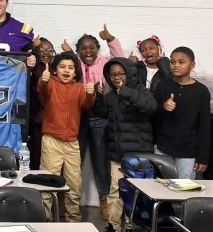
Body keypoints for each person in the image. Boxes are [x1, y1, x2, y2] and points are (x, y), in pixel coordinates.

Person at [61, 25, 123, 220]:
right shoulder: (75, 63)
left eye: (92, 47)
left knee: (100, 160)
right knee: (73, 161)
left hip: (100, 117)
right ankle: (67, 199)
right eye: (83, 48)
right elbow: (65, 67)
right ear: (78, 51)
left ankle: (104, 199)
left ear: (97, 49)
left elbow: (119, 58)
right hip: (78, 116)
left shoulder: (104, 63)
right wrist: (70, 54)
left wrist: (110, 39)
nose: (88, 51)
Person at [37, 52, 95, 222]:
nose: (66, 70)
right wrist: (43, 80)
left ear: (75, 72)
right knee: (47, 182)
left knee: (74, 184)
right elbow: (42, 89)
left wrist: (91, 93)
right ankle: (45, 219)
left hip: (72, 143)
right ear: (55, 70)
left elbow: (86, 105)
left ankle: (73, 219)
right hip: (51, 140)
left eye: (70, 67)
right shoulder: (50, 83)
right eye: (62, 67)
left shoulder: (79, 88)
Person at [100, 57, 156, 232]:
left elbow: (151, 107)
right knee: (115, 191)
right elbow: (100, 113)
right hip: (117, 155)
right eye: (113, 75)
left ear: (129, 74)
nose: (116, 77)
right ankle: (114, 226)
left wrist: (126, 92)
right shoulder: (110, 96)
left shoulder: (139, 89)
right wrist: (96, 96)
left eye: (120, 74)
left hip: (138, 155)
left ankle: (133, 226)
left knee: (138, 193)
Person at [152, 47, 211, 179]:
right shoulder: (162, 86)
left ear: (192, 65)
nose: (176, 65)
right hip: (163, 147)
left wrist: (203, 157)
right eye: (172, 62)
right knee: (161, 186)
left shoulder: (201, 91)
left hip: (188, 150)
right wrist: (163, 107)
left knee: (184, 187)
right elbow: (153, 116)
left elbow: (205, 126)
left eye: (181, 62)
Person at [29, 37, 55, 169]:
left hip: (53, 120)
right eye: (42, 50)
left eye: (50, 50)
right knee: (36, 154)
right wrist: (33, 48)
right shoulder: (34, 68)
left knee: (51, 158)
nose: (46, 53)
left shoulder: (56, 68)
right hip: (37, 120)